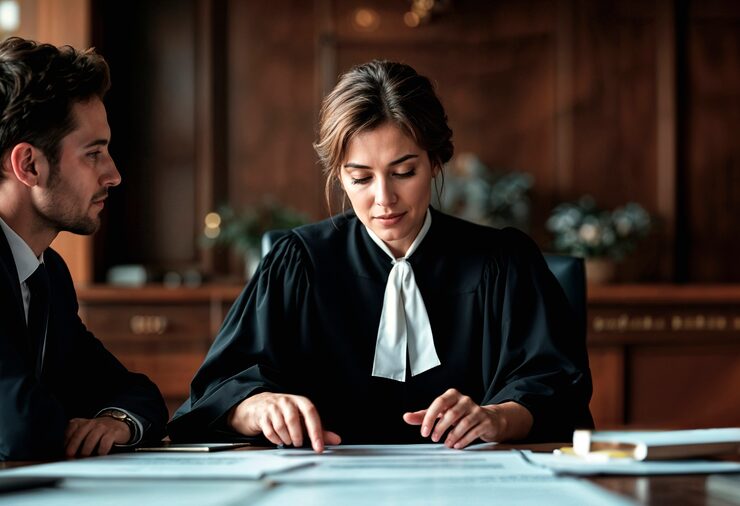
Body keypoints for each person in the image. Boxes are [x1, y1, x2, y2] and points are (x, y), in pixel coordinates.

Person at [169, 60, 593, 452]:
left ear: (435, 161)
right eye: (360, 178)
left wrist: (498, 418)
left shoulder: (503, 261)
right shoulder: (296, 262)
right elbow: (212, 395)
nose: (383, 199)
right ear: (338, 174)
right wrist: (256, 408)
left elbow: (560, 390)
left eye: (404, 172)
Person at [0, 37, 168, 461]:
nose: (113, 175)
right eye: (94, 154)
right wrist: (71, 415)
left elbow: (137, 393)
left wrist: (115, 420)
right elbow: (19, 428)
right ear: (29, 165)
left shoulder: (47, 275)